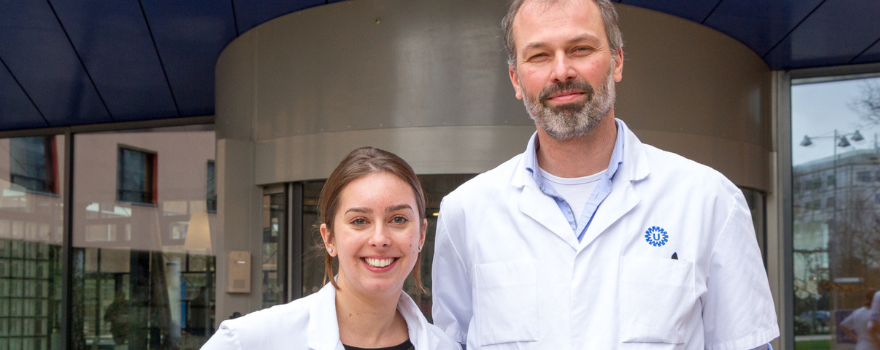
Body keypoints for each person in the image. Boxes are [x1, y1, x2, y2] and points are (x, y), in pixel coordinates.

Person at [430, 0, 779, 349]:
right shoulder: (465, 212)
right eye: (539, 55)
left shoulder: (711, 200)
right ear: (515, 79)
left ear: (617, 61)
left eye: (580, 49)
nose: (562, 71)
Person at [202, 147, 460, 350]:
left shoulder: (444, 347)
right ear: (329, 239)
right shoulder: (250, 341)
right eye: (360, 221)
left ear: (422, 234)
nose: (380, 239)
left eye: (398, 219)